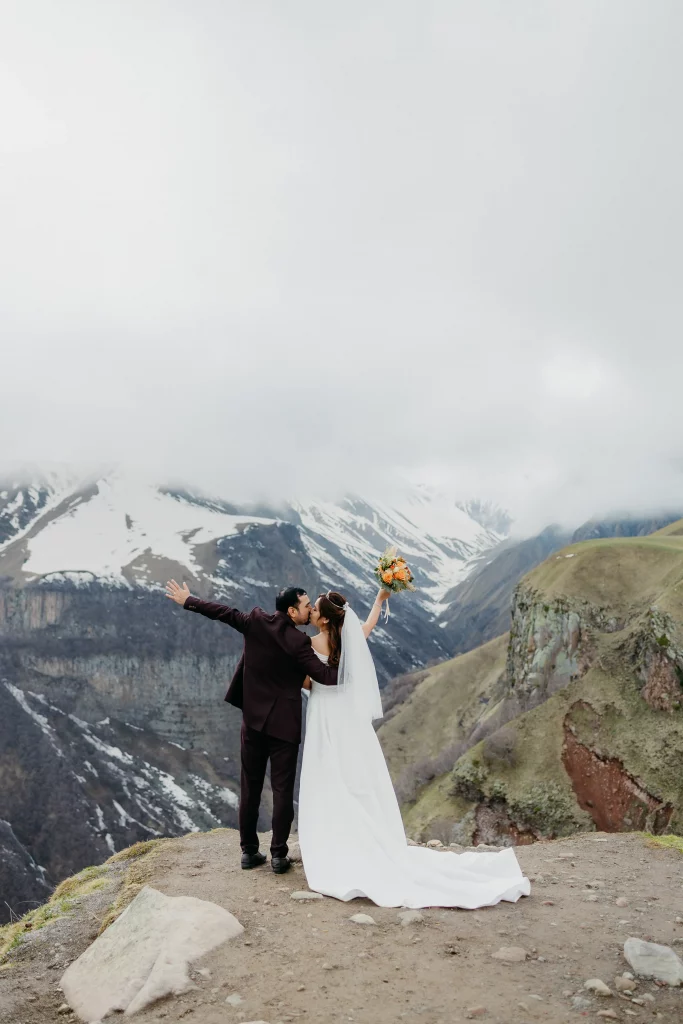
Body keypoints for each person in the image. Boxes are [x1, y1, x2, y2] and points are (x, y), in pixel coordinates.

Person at [298, 588, 531, 908]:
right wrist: (379, 600)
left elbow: (307, 682)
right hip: (350, 724)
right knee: (354, 776)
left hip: (326, 717)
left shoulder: (310, 644)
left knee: (328, 776)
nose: (310, 614)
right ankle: (360, 838)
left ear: (324, 619)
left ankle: (332, 842)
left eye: (314, 611)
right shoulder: (350, 641)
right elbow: (367, 626)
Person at [165, 580, 339, 874]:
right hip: (284, 726)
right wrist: (351, 665)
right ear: (292, 610)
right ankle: (279, 857)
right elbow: (324, 676)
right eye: (307, 606)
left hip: (254, 723)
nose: (310, 610)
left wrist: (189, 600)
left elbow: (224, 613)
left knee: (251, 787)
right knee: (282, 790)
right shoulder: (299, 642)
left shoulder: (256, 621)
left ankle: (248, 852)